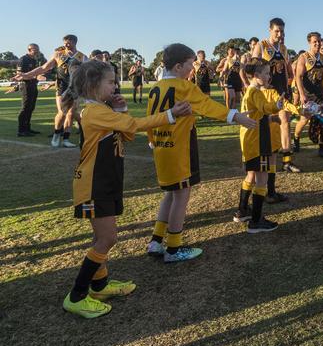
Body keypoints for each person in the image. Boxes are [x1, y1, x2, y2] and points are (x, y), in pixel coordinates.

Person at [63, 59, 192, 318]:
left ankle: (99, 286)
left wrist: (121, 110)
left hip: (106, 181)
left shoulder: (103, 109)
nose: (115, 86)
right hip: (93, 185)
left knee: (101, 238)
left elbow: (127, 134)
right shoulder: (94, 111)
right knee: (108, 238)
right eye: (110, 82)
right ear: (92, 84)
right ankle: (77, 295)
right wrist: (170, 114)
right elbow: (134, 127)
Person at [145, 43, 256, 263]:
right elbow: (208, 107)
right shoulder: (184, 87)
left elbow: (150, 120)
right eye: (190, 65)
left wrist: (152, 142)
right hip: (179, 148)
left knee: (170, 193)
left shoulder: (155, 87)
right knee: (182, 195)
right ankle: (173, 249)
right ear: (178, 67)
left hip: (161, 147)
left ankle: (156, 241)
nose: (192, 70)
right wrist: (237, 116)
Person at [234, 59, 299, 230]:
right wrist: (276, 106)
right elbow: (265, 107)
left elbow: (257, 114)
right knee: (262, 179)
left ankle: (242, 211)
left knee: (251, 175)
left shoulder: (248, 91)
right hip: (257, 141)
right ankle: (256, 221)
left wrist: (272, 117)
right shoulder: (255, 92)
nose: (269, 76)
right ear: (256, 75)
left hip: (249, 140)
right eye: (267, 73)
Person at [14, 34, 87, 148]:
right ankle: (56, 135)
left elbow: (88, 73)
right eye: (64, 42)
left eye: (68, 42)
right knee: (62, 112)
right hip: (61, 87)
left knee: (71, 113)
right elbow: (44, 68)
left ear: (74, 42)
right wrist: (26, 74)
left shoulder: (82, 57)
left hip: (76, 88)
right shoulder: (58, 55)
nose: (65, 44)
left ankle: (66, 139)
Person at [252, 18, 300, 172]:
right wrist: (255, 87)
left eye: (282, 31)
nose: (280, 34)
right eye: (277, 31)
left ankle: (287, 160)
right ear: (270, 30)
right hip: (266, 93)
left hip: (281, 91)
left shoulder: (284, 48)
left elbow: (287, 70)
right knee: (268, 125)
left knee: (285, 121)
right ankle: (264, 155)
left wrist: (289, 86)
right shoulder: (261, 46)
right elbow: (253, 69)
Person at [293, 31, 323, 159]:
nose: (317, 43)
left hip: (320, 95)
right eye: (315, 41)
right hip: (308, 95)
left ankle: (322, 148)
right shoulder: (304, 57)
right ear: (309, 42)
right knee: (304, 119)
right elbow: (298, 76)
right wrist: (302, 94)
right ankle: (296, 138)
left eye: (319, 41)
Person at [1, 44, 42, 136]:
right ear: (29, 49)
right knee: (25, 108)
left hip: (33, 84)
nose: (37, 51)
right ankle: (21, 130)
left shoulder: (34, 59)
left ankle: (27, 128)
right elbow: (19, 74)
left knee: (31, 108)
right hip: (26, 85)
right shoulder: (24, 59)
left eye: (37, 49)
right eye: (35, 49)